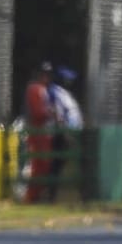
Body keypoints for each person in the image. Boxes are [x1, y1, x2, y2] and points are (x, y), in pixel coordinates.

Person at [46, 67, 84, 201]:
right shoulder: (55, 92)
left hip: (71, 133)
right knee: (57, 165)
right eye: (68, 79)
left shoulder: (65, 93)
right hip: (62, 134)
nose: (71, 82)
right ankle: (52, 196)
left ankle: (71, 195)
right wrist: (65, 133)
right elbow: (58, 114)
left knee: (63, 164)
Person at [22, 63, 54, 204]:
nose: (46, 77)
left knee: (44, 164)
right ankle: (31, 197)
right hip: (36, 132)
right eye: (43, 74)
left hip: (44, 133)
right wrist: (50, 113)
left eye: (47, 74)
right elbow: (37, 112)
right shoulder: (34, 89)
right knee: (36, 164)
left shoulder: (45, 90)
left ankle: (38, 195)